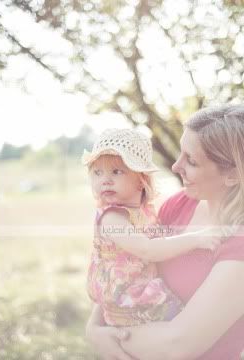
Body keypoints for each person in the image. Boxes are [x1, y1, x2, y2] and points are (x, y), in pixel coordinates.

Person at [86, 106, 244, 359]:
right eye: (181, 152)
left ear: (233, 175)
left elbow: (176, 345)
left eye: (191, 161)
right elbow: (129, 264)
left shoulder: (239, 242)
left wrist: (108, 340)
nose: (175, 165)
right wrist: (94, 328)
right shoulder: (180, 204)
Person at [83, 129, 223, 328]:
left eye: (116, 171)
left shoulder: (143, 212)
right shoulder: (112, 217)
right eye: (97, 172)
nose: (105, 180)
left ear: (141, 180)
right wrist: (195, 239)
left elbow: (161, 238)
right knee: (182, 324)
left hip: (141, 293)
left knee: (181, 322)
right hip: (127, 299)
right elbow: (147, 249)